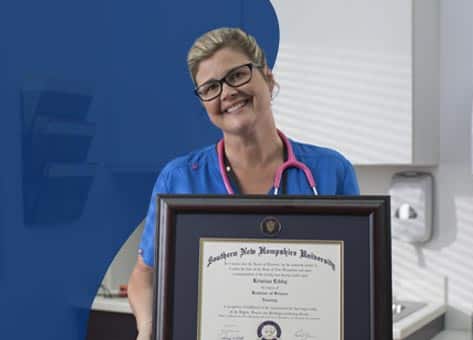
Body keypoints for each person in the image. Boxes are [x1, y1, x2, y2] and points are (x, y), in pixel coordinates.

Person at [126, 27, 360, 340]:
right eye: (210, 87)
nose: (226, 93)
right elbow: (145, 274)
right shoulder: (179, 178)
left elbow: (358, 275)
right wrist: (148, 329)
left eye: (237, 75)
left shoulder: (331, 171)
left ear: (268, 78)